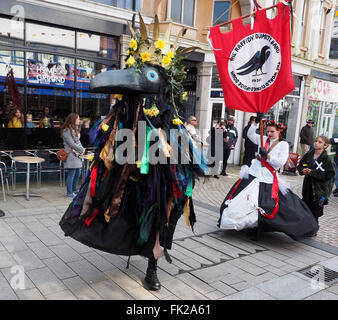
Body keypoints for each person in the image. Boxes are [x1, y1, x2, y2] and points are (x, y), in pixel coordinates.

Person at [219, 113, 318, 241]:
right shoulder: (263, 139)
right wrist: (255, 123)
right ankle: (248, 225)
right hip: (254, 174)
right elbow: (249, 135)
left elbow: (281, 162)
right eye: (268, 131)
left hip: (268, 177)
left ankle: (259, 228)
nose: (269, 133)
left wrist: (268, 156)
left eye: (272, 131)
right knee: (246, 199)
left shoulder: (283, 145)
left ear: (279, 131)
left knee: (264, 204)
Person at [297, 136, 335, 231]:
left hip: (320, 191)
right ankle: (306, 226)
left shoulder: (327, 159)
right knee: (306, 206)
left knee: (316, 209)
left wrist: (312, 172)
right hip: (308, 187)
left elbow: (329, 174)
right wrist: (304, 170)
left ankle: (314, 228)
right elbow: (302, 164)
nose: (316, 143)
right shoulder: (309, 154)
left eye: (320, 142)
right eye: (316, 141)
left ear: (325, 145)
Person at [61, 113, 85, 199]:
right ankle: (69, 193)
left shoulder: (74, 129)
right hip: (71, 155)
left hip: (76, 154)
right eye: (78, 119)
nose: (79, 120)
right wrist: (81, 149)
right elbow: (71, 143)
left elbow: (78, 141)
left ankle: (74, 189)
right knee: (72, 173)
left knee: (78, 171)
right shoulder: (66, 130)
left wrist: (82, 149)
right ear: (73, 120)